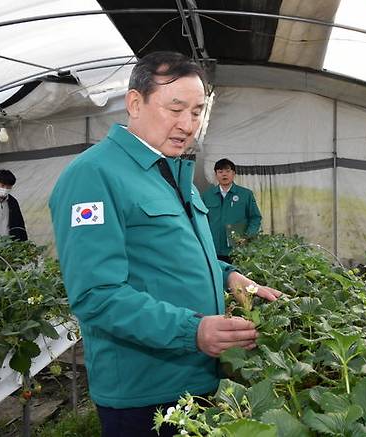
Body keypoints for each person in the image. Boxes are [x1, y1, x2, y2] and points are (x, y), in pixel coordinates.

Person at [49, 51, 281, 437]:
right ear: (135, 103)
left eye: (197, 111)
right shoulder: (93, 175)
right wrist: (192, 331)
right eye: (175, 109)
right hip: (145, 391)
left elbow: (178, 252)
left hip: (197, 376)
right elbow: (96, 295)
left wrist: (229, 276)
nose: (188, 124)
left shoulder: (172, 172)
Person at [201, 158, 262, 263]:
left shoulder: (245, 194)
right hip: (213, 248)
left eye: (228, 171)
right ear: (216, 175)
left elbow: (255, 218)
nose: (224, 175)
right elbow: (201, 220)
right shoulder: (207, 195)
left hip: (237, 249)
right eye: (220, 172)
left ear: (234, 174)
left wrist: (247, 236)